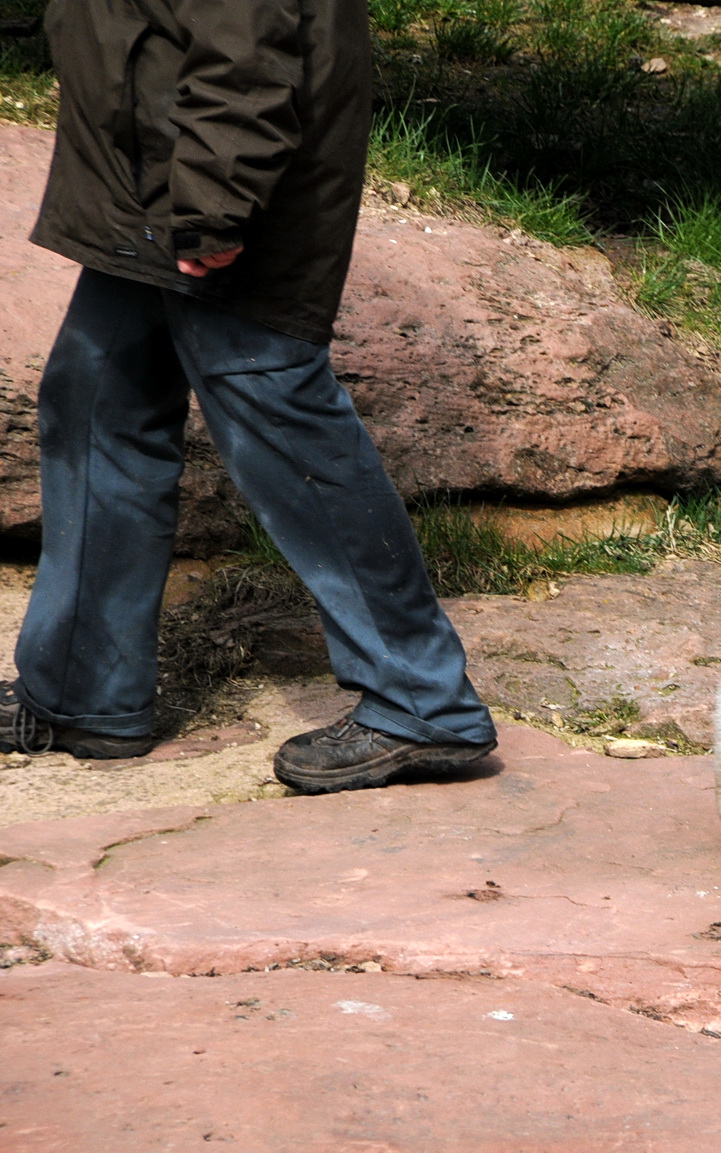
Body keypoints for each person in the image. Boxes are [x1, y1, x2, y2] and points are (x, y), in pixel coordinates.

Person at [1, 0, 499, 792]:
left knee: (282, 425)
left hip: (209, 187)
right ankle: (83, 691)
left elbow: (247, 51)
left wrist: (213, 202)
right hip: (147, 178)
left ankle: (422, 700)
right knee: (97, 402)